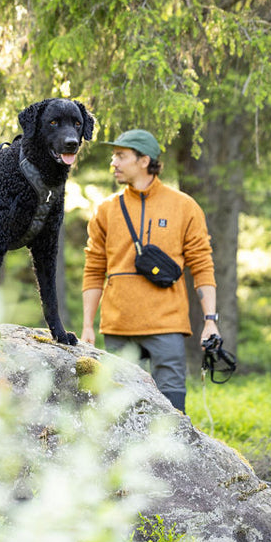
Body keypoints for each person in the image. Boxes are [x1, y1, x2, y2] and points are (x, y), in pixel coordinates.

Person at [81, 129, 221, 413]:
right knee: (121, 408)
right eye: (114, 156)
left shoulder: (184, 206)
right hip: (118, 326)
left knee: (172, 408)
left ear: (144, 160)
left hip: (167, 324)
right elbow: (94, 268)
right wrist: (87, 325)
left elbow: (202, 264)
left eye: (121, 156)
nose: (114, 163)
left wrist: (210, 320)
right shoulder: (106, 210)